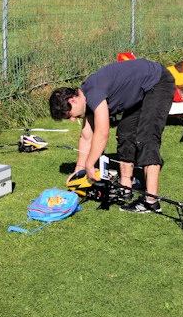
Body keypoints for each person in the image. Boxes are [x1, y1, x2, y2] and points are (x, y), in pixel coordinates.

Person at [49, 58, 175, 214]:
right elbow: (87, 136)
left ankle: (151, 202)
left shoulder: (93, 93)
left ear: (73, 100)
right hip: (140, 91)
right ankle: (126, 187)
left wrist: (90, 164)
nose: (73, 119)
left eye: (69, 115)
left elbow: (102, 132)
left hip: (157, 81)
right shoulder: (85, 98)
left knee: (146, 137)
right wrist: (79, 171)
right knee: (125, 132)